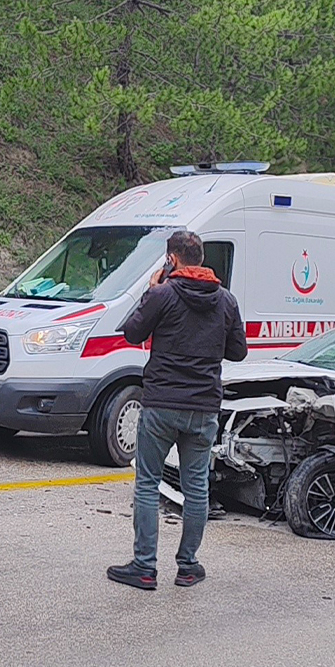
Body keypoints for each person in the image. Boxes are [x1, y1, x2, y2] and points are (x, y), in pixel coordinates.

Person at [107, 231, 247, 590]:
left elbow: (133, 333)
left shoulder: (163, 294)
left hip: (162, 404)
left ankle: (144, 567)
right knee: (196, 488)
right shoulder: (226, 300)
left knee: (147, 484)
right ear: (201, 259)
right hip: (203, 407)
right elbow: (238, 352)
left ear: (171, 259)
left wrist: (151, 291)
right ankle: (188, 566)